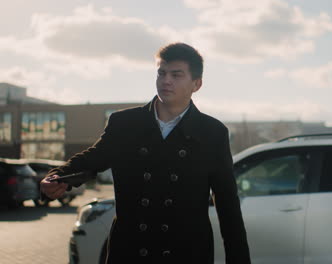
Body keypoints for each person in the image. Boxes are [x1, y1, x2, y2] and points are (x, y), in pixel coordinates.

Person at [40, 43, 251, 264]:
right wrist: (59, 175)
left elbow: (227, 204)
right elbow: (94, 158)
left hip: (186, 253)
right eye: (161, 73)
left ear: (196, 84)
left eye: (176, 75)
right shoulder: (125, 123)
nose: (166, 80)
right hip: (131, 250)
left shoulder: (212, 132)